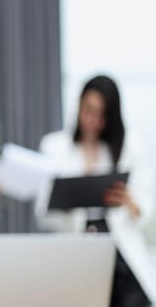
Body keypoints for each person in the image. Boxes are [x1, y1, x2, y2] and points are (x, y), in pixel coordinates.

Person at [37, 75, 156, 307]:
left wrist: (132, 204)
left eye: (102, 115)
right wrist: (67, 202)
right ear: (79, 105)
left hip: (119, 256)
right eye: (88, 110)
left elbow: (145, 209)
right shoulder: (54, 147)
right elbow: (42, 213)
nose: (93, 120)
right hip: (74, 251)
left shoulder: (128, 147)